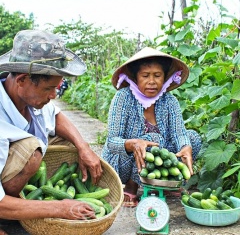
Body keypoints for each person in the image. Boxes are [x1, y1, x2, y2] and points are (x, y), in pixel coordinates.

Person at [0, 29, 103, 234]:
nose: (54, 95)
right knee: (31, 151)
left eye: (57, 88)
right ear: (22, 80)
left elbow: (55, 116)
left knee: (67, 142)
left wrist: (83, 147)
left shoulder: (30, 98)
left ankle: (21, 205)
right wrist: (60, 208)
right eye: (48, 89)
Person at [101, 47, 202, 207]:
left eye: (157, 75)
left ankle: (167, 181)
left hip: (156, 159)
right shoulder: (123, 98)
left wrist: (185, 147)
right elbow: (112, 141)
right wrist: (133, 144)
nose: (152, 81)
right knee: (152, 140)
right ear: (135, 77)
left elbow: (179, 133)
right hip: (122, 162)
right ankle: (131, 186)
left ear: (165, 77)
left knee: (192, 139)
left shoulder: (170, 101)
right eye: (145, 76)